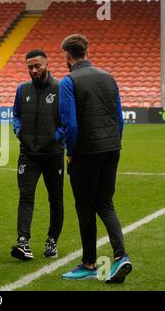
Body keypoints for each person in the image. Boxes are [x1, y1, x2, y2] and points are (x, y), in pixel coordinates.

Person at [58, 34, 132, 283]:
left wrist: (71, 152)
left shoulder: (68, 81)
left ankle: (89, 262)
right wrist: (114, 143)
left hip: (85, 152)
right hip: (112, 148)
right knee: (105, 203)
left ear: (68, 56)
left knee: (85, 206)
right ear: (87, 51)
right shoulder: (109, 77)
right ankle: (121, 256)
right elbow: (119, 119)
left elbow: (70, 123)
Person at [10, 49, 64, 261]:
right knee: (25, 196)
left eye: (37, 66)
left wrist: (55, 138)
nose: (33, 70)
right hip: (28, 154)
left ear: (46, 64)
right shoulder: (22, 89)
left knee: (55, 198)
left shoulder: (60, 88)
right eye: (30, 67)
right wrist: (18, 131)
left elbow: (67, 120)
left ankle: (52, 241)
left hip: (53, 154)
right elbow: (16, 114)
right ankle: (23, 241)